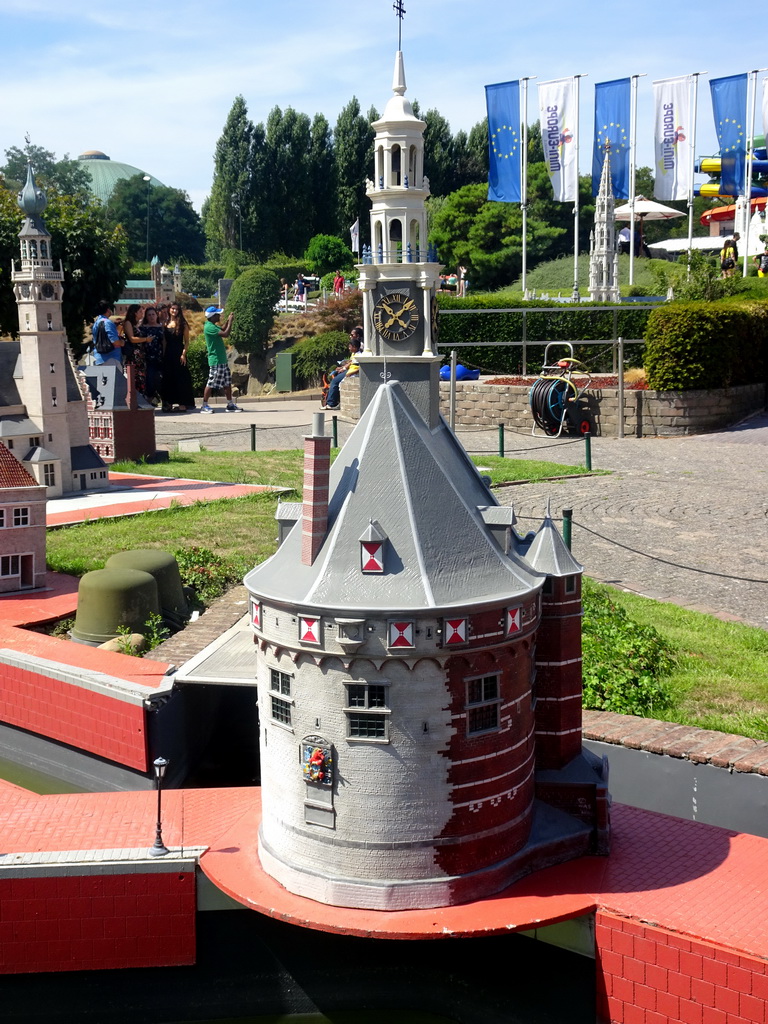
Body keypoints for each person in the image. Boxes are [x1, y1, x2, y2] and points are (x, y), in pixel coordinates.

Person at [200, 305, 241, 413]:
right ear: (212, 316)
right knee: (211, 383)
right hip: (216, 361)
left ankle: (230, 404)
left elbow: (222, 328)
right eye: (217, 314)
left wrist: (227, 321)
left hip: (221, 360)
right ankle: (204, 405)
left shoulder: (212, 325)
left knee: (227, 383)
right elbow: (225, 333)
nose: (219, 316)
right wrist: (231, 321)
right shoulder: (209, 327)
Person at [161, 303, 196, 412]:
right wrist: (163, 354)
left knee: (181, 378)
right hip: (168, 353)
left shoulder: (183, 324)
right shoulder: (165, 323)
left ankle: (183, 403)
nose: (174, 311)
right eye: (173, 309)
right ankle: (169, 403)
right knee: (168, 378)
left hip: (179, 353)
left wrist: (183, 354)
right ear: (169, 309)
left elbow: (186, 341)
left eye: (176, 309)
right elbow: (164, 341)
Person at [324, 327, 363, 410]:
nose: (350, 336)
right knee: (335, 374)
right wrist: (343, 367)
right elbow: (351, 361)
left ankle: (331, 403)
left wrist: (347, 371)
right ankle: (336, 401)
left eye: (352, 335)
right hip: (349, 370)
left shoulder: (361, 348)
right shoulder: (355, 351)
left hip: (352, 372)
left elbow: (358, 365)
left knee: (335, 381)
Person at [137, 307, 165, 405]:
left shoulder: (161, 327)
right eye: (149, 315)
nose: (151, 317)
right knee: (150, 379)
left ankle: (163, 400)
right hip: (147, 357)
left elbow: (164, 342)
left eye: (153, 314)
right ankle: (151, 398)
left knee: (161, 379)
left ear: (156, 315)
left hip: (160, 357)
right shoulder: (142, 328)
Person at [92, 301, 123, 366]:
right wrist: (122, 342)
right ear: (108, 310)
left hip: (98, 357)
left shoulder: (96, 323)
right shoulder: (108, 323)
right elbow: (115, 341)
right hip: (111, 358)